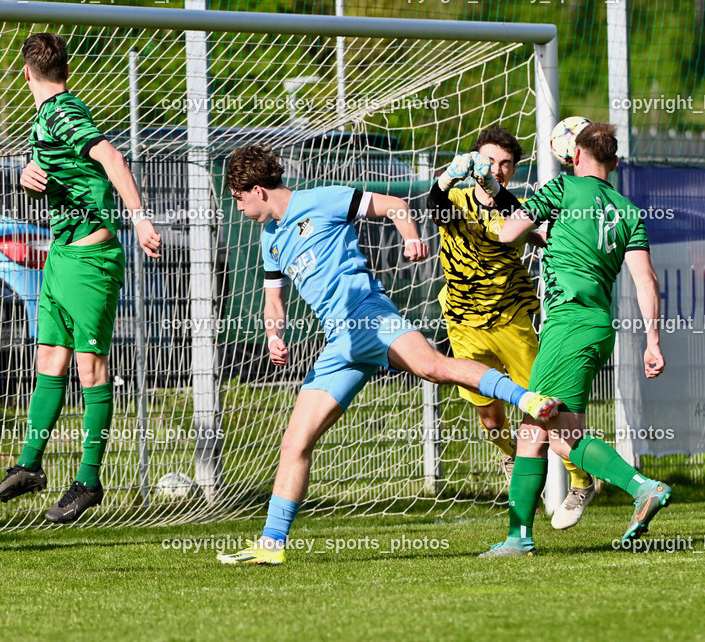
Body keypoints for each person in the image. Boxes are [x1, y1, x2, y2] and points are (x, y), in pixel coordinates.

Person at [215, 144, 562, 565]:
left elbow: (395, 205)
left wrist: (412, 238)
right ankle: (270, 547)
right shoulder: (270, 239)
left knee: (432, 368)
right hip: (339, 343)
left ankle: (525, 399)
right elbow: (274, 299)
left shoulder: (321, 199)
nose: (238, 208)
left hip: (370, 316)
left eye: (237, 198)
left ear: (257, 190)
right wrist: (274, 334)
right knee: (294, 443)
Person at [0, 32, 162, 523]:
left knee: (90, 370)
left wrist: (141, 218)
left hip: (88, 260)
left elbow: (111, 158)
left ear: (25, 73)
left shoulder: (61, 111)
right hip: (61, 255)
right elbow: (63, 166)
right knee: (50, 358)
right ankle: (30, 466)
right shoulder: (46, 118)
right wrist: (27, 173)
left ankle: (88, 480)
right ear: (66, 68)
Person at [480, 122, 671, 557]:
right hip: (599, 328)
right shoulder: (628, 211)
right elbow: (646, 280)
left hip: (566, 328)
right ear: (615, 163)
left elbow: (507, 234)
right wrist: (653, 341)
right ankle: (523, 535)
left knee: (537, 426)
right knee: (557, 434)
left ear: (575, 156)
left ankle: (639, 488)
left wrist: (490, 200)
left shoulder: (561, 188)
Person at [428, 126, 596, 528]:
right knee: (489, 415)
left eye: (506, 163)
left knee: (545, 408)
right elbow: (436, 209)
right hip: (463, 321)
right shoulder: (454, 197)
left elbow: (527, 226)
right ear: (472, 160)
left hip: (512, 317)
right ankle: (509, 456)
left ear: (515, 169)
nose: (497, 169)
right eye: (489, 161)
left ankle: (581, 480)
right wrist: (444, 179)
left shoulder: (516, 206)